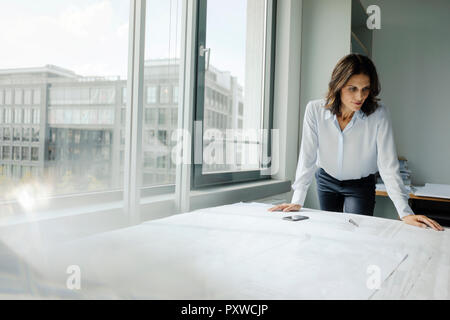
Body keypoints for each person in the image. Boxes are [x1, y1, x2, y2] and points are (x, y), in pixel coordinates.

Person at [268, 53, 444, 231]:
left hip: (360, 186)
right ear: (338, 85)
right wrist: (297, 200)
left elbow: (387, 164)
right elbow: (308, 157)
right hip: (326, 181)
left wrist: (405, 212)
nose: (360, 96)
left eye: (365, 89)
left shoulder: (379, 114)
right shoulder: (314, 110)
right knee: (330, 232)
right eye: (352, 88)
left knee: (358, 232)